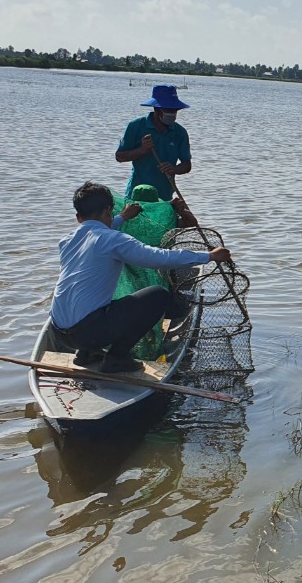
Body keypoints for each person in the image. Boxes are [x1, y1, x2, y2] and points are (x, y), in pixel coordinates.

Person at [50, 182, 229, 373]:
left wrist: (123, 217)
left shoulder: (67, 240)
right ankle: (117, 358)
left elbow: (99, 229)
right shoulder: (114, 240)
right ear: (107, 210)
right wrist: (208, 256)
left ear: (78, 217)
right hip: (88, 333)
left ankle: (86, 353)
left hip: (59, 332)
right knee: (158, 295)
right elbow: (158, 257)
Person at [115, 85, 192, 201]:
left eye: (174, 110)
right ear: (156, 109)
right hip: (136, 196)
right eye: (168, 110)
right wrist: (142, 150)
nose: (172, 114)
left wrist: (173, 169)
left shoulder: (180, 133)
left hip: (164, 197)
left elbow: (187, 165)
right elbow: (119, 157)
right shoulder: (136, 126)